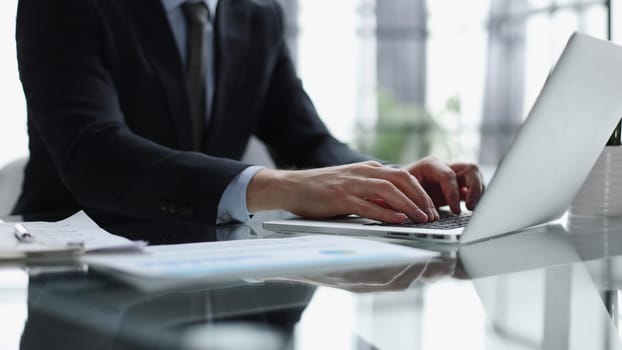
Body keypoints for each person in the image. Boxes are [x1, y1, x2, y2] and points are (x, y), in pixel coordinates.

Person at [14, 0, 484, 226]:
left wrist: (386, 181)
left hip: (208, 265)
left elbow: (307, 139)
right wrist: (282, 186)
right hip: (69, 261)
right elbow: (95, 154)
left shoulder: (257, 14)